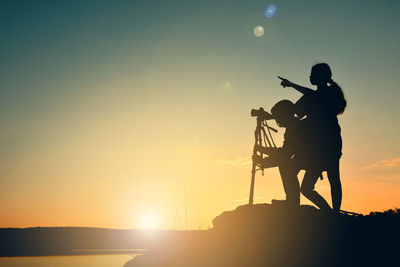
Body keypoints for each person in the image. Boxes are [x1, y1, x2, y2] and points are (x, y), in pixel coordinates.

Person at [278, 63, 346, 212]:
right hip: (315, 147)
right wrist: (273, 114)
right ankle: (327, 212)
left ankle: (335, 213)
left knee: (333, 177)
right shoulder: (308, 97)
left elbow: (315, 95)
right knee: (305, 185)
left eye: (312, 74)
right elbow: (294, 111)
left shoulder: (329, 93)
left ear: (321, 77)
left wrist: (291, 85)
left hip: (330, 143)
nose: (309, 76)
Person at [253, 99, 308, 207]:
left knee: (286, 166)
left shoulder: (295, 128)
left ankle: (292, 202)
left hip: (309, 157)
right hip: (305, 156)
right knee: (286, 166)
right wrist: (265, 159)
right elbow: (285, 153)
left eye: (278, 117)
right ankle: (292, 200)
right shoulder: (294, 125)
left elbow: (285, 153)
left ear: (284, 115)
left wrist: (263, 154)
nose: (277, 120)